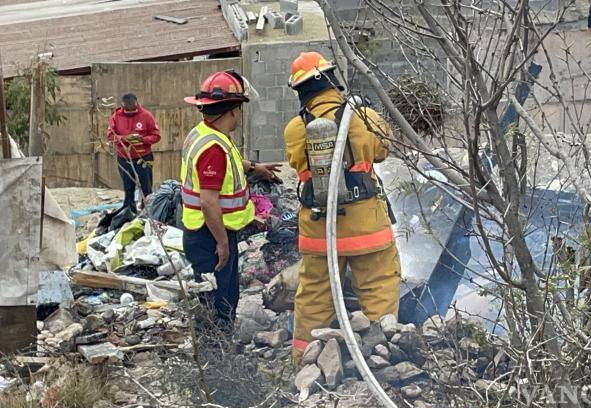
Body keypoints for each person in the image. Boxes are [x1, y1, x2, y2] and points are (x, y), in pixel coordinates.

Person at [283, 52, 401, 362]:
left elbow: (296, 164)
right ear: (331, 80)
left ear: (301, 91)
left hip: (320, 231)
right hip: (368, 229)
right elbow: (384, 150)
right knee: (378, 291)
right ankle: (380, 359)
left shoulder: (296, 129)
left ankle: (302, 365)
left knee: (313, 299)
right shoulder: (362, 117)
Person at [181, 70, 281, 333]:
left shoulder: (205, 134)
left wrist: (254, 167)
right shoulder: (213, 147)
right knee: (219, 304)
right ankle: (217, 362)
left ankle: (216, 355)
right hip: (210, 236)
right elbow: (208, 202)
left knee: (218, 297)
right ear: (234, 110)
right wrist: (222, 243)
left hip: (206, 233)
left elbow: (229, 164)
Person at [107, 93, 160, 211]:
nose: (130, 111)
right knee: (128, 187)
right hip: (124, 158)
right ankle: (129, 210)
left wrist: (143, 139)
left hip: (144, 157)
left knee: (146, 187)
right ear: (122, 106)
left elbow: (156, 135)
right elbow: (111, 136)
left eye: (133, 109)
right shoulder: (115, 117)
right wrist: (123, 139)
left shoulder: (146, 116)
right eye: (127, 109)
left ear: (137, 104)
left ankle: (148, 210)